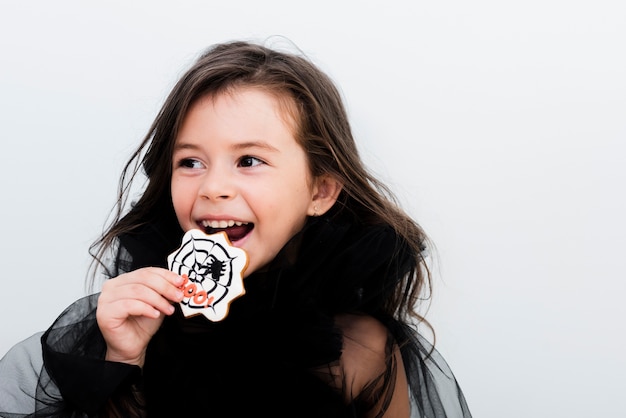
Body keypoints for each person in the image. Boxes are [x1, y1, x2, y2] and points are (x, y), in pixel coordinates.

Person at [0, 40, 472, 417]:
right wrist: (124, 362)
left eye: (249, 160)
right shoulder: (132, 323)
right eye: (190, 162)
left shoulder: (360, 348)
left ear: (320, 192)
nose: (213, 186)